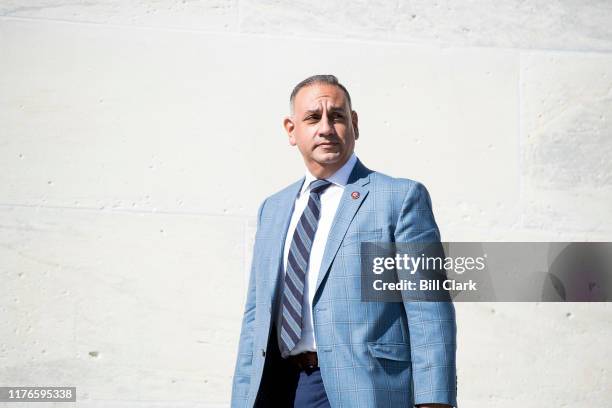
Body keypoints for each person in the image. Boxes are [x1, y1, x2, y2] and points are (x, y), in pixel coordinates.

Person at [231, 75, 457, 408]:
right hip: (280, 387)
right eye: (312, 118)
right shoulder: (273, 208)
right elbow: (256, 315)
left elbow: (428, 307)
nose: (326, 127)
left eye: (336, 116)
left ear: (353, 123)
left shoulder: (399, 198)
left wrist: (433, 400)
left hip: (366, 388)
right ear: (291, 130)